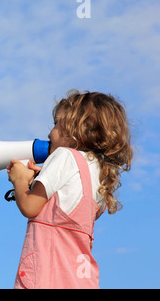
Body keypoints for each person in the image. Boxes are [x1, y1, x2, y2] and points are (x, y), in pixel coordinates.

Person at [7, 90, 132, 289]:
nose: (50, 132)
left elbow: (30, 206)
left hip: (47, 277)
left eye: (57, 123)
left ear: (78, 130)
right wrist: (46, 178)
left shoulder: (64, 155)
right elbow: (69, 203)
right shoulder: (99, 173)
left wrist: (20, 180)